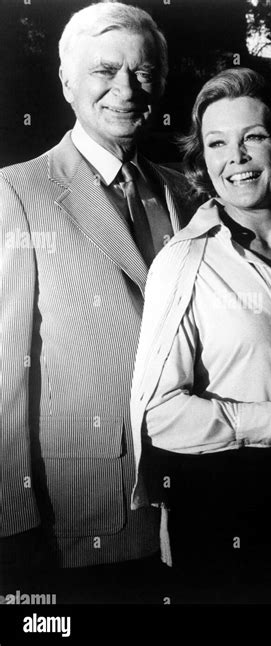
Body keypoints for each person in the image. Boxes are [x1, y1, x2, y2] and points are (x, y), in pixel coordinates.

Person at [130, 67, 271, 603]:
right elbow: (159, 415)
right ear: (201, 159)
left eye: (252, 137)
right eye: (217, 143)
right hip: (229, 511)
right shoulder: (184, 262)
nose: (237, 158)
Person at [0, 2, 195, 603]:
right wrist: (12, 518)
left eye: (143, 74)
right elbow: (5, 371)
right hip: (81, 501)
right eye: (104, 72)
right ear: (66, 83)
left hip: (188, 497)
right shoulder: (19, 191)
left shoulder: (182, 189)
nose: (126, 90)